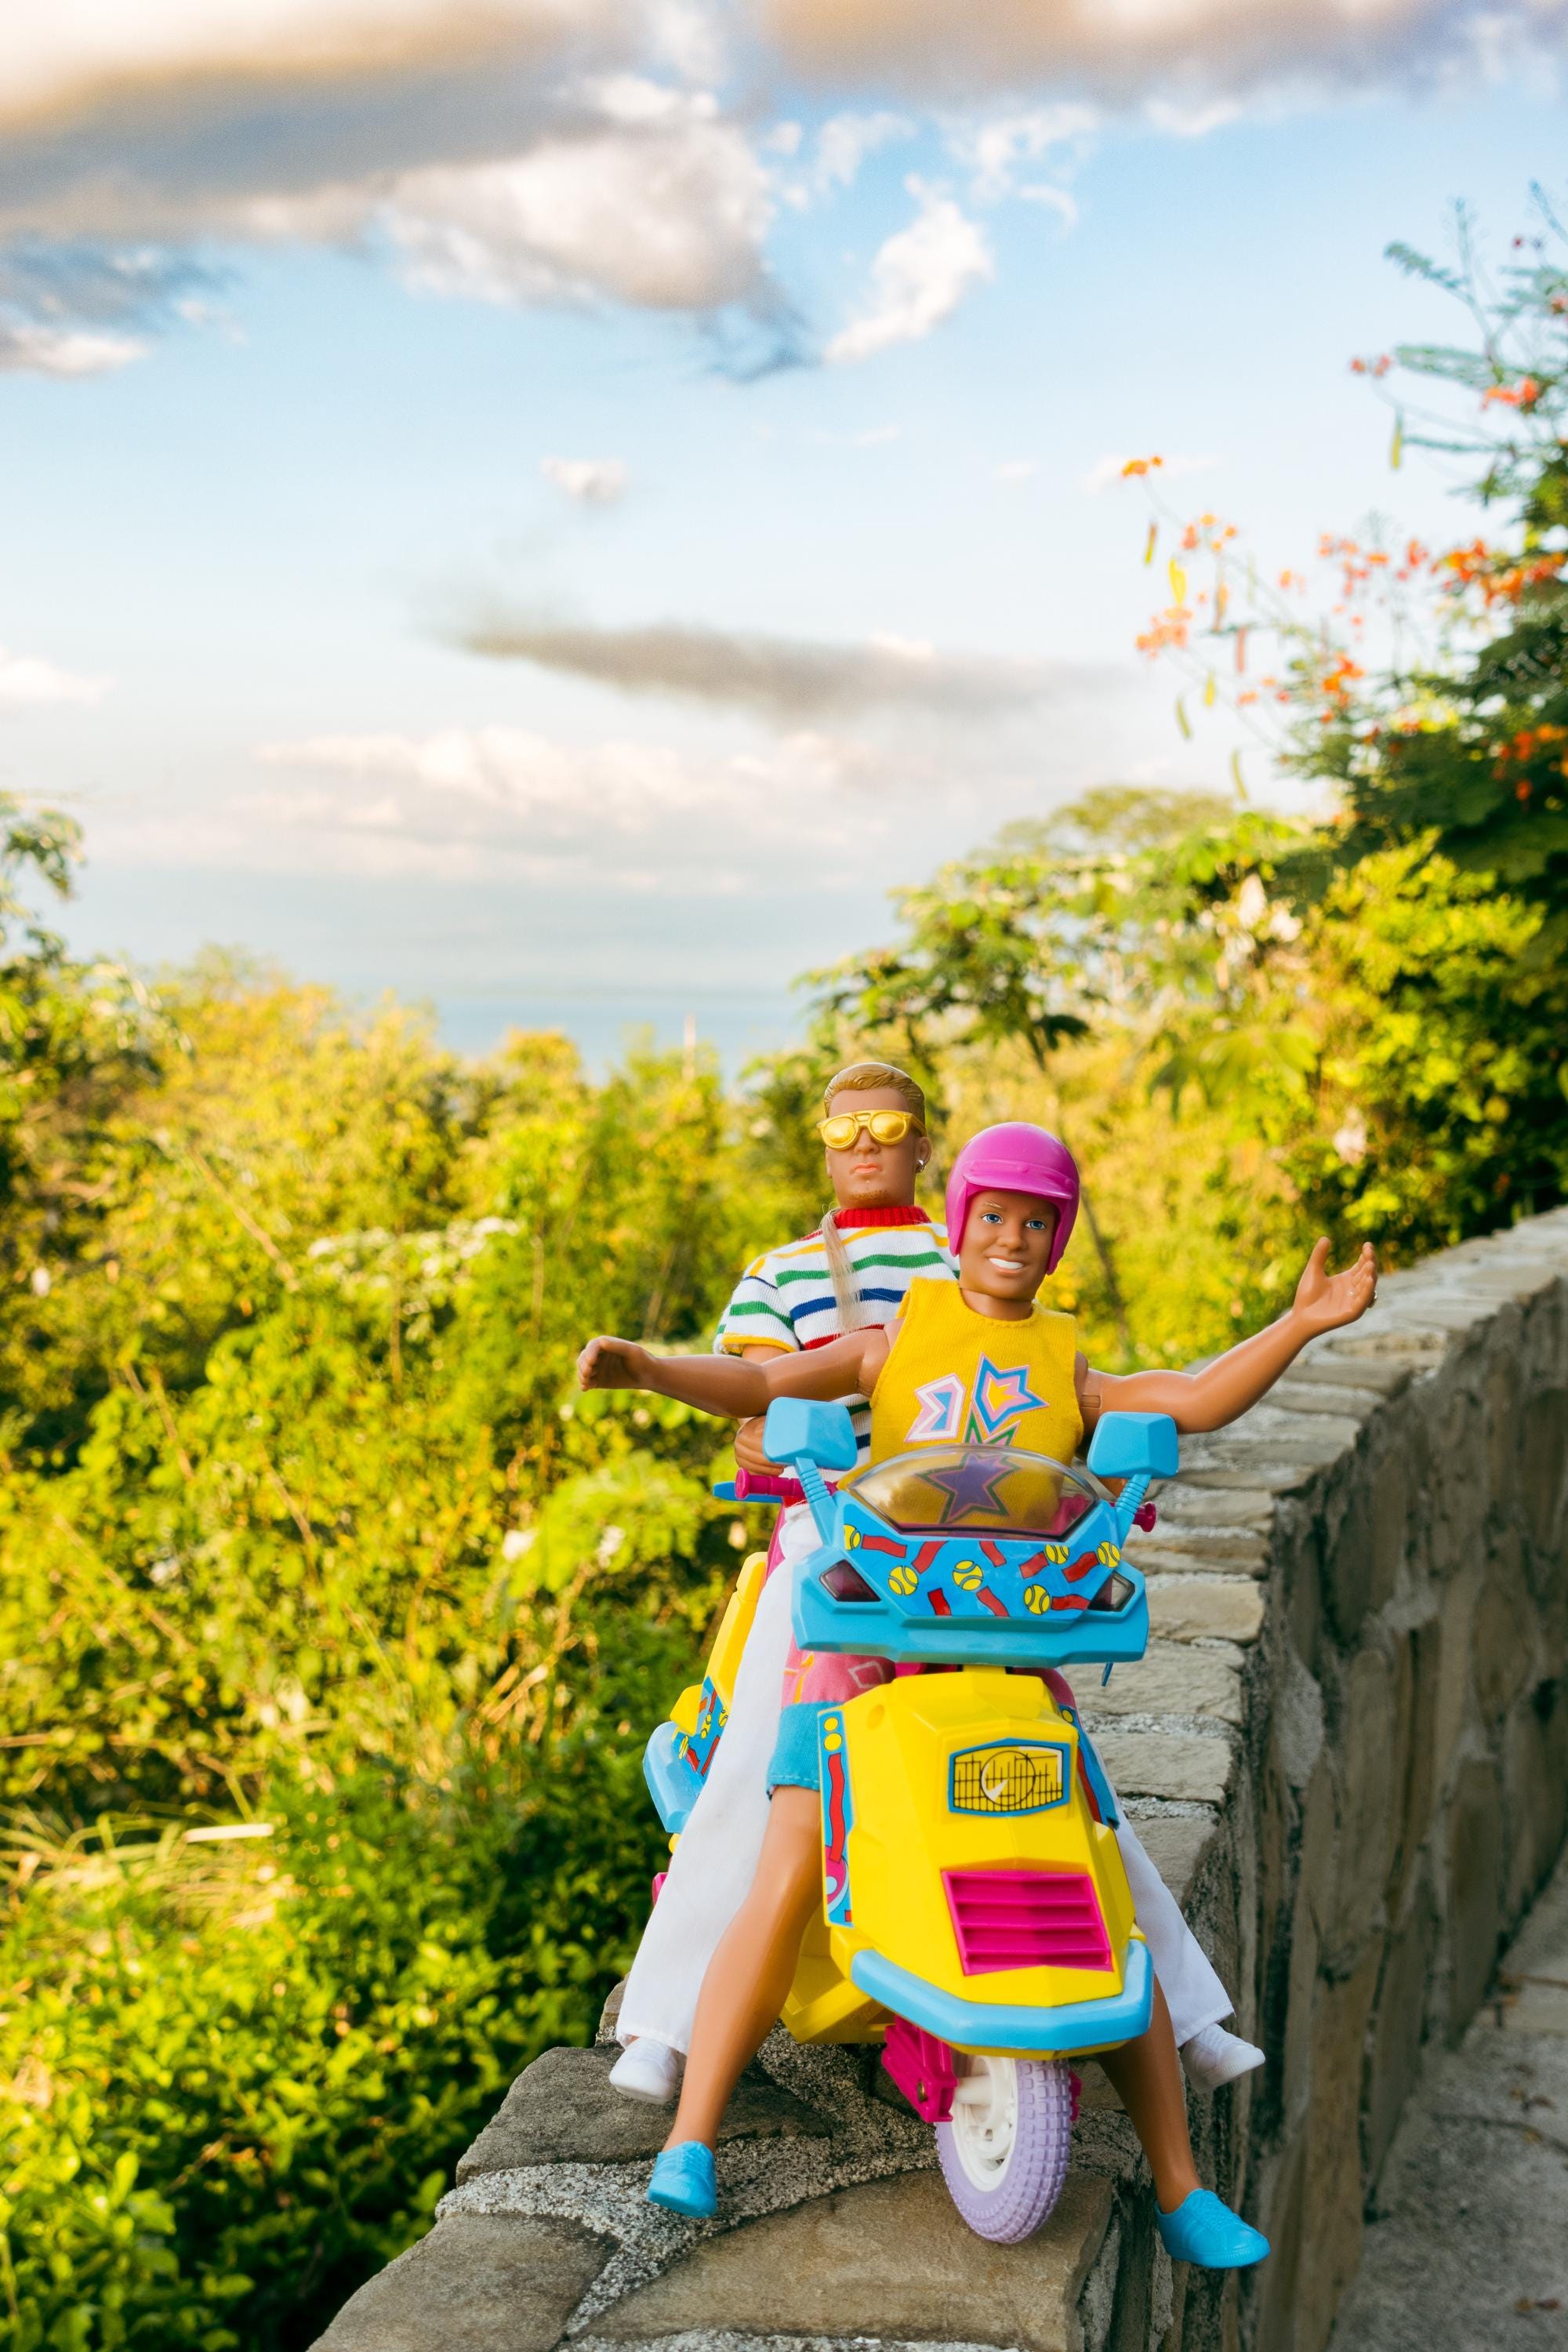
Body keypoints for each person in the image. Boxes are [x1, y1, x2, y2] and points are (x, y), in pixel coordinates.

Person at [579, 1122, 1379, 2268]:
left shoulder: (1066, 1361)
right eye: (993, 1214)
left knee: (1098, 1878)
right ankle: (693, 2134)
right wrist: (651, 1369)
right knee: (791, 1857)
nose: (1012, 1237)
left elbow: (1196, 1400)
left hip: (1007, 1653)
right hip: (869, 1640)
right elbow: (760, 1381)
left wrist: (1299, 1325)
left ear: (1060, 1237)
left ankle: (1180, 2183)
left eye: (1037, 1220)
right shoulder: (896, 1336)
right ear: (958, 1225)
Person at [609, 1069, 1258, 2111]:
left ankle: (1178, 2011)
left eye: (889, 1125)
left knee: (1065, 1767)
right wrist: (679, 1384)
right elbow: (763, 1399)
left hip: (987, 1556)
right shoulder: (782, 1274)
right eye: (843, 1129)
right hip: (843, 1527)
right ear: (823, 1144)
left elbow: (1104, 1399)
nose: (864, 1143)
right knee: (762, 1760)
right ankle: (666, 2023)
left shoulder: (967, 1261)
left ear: (927, 1148)